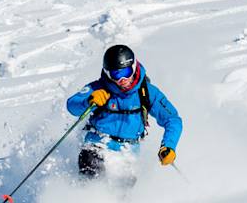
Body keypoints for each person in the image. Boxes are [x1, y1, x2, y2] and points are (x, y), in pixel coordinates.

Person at [66, 44, 182, 180]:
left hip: (128, 152)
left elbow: (172, 120)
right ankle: (83, 197)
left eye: (126, 72)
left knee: (122, 192)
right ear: (108, 73)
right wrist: (88, 101)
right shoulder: (98, 88)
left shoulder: (147, 92)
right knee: (91, 171)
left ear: (133, 67)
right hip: (97, 144)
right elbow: (71, 106)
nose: (123, 80)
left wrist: (168, 146)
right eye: (117, 74)